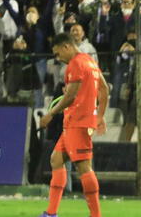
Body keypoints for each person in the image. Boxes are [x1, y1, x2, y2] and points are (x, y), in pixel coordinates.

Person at [38, 33, 109, 217]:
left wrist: (50, 114)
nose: (58, 58)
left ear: (66, 47)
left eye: (58, 53)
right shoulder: (90, 61)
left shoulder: (76, 63)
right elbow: (104, 89)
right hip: (76, 122)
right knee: (56, 159)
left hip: (79, 122)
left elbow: (71, 96)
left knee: (84, 167)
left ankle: (96, 215)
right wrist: (99, 115)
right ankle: (51, 213)